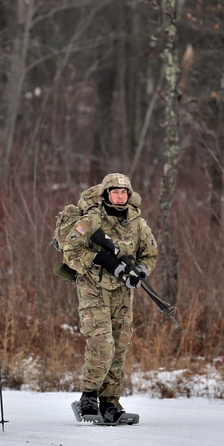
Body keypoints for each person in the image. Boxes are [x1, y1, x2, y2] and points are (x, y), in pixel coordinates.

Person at [60, 173, 158, 422]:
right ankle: (88, 396)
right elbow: (70, 251)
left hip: (122, 294)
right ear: (106, 194)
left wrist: (139, 272)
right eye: (115, 192)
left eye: (124, 192)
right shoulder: (90, 220)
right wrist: (99, 259)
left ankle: (110, 402)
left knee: (120, 346)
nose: (120, 197)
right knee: (102, 344)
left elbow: (150, 254)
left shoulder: (137, 223)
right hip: (93, 289)